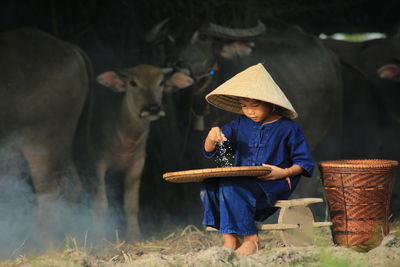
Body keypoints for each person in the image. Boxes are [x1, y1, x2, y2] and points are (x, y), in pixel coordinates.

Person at [201, 63, 314, 256]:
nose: (249, 112)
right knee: (209, 186)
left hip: (272, 184)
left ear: (271, 104)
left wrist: (283, 172)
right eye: (244, 106)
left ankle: (251, 239)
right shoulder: (239, 123)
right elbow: (217, 149)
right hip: (240, 184)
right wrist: (212, 137)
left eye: (255, 106)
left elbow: (304, 163)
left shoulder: (288, 128)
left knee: (231, 187)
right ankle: (229, 239)